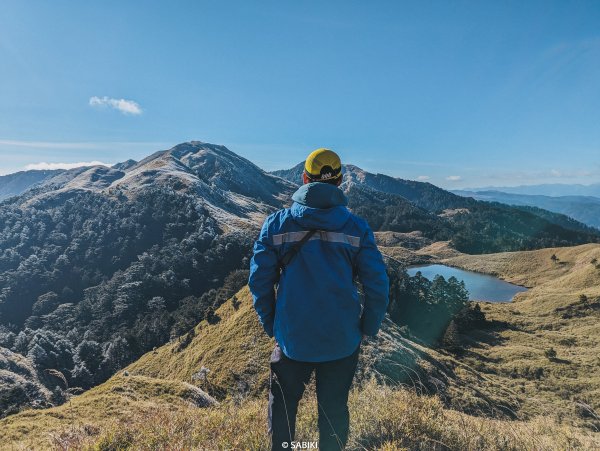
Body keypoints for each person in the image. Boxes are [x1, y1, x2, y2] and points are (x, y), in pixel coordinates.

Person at [249, 148, 389, 451]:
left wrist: (271, 324)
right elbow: (377, 284)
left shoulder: (277, 225)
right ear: (339, 182)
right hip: (341, 339)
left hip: (292, 339)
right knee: (334, 410)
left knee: (284, 408)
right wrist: (368, 326)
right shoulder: (356, 228)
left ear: (303, 178)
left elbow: (260, 281)